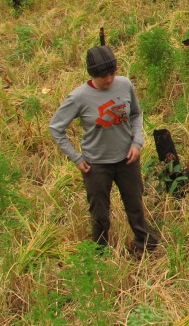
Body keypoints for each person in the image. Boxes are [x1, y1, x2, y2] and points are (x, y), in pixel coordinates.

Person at [49, 45, 158, 255]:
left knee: (135, 203)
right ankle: (99, 252)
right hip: (96, 165)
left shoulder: (124, 85)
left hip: (127, 159)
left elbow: (135, 114)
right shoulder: (78, 97)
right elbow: (56, 127)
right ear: (91, 75)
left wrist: (137, 142)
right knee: (100, 213)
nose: (108, 79)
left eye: (112, 73)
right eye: (102, 76)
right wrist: (75, 157)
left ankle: (144, 242)